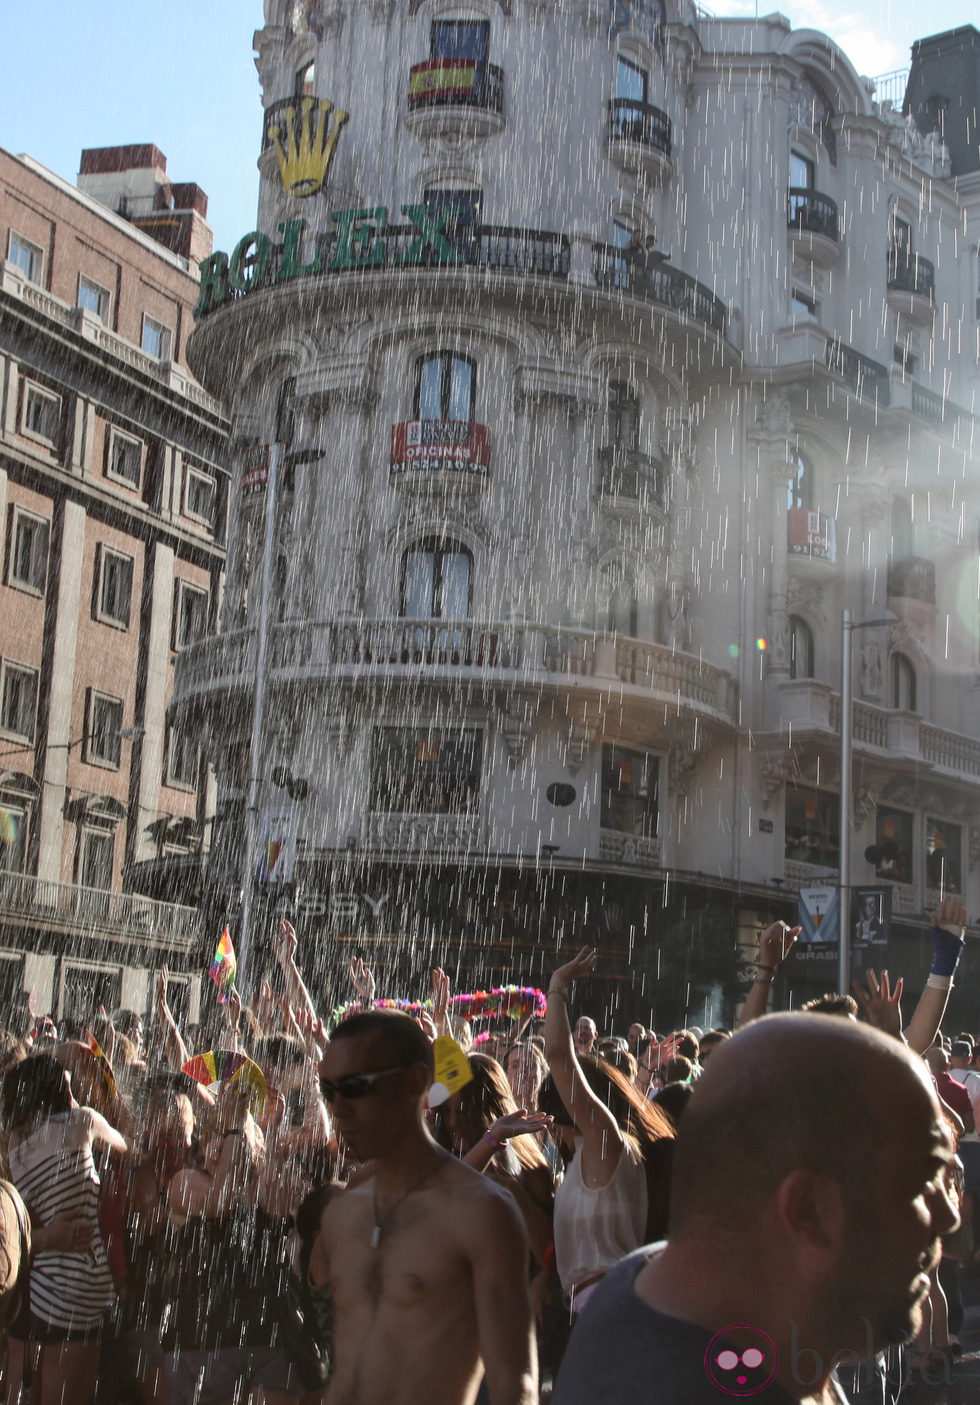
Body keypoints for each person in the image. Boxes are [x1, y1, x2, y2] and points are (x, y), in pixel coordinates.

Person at [553, 1013, 959, 1404]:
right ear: (807, 1208)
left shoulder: (657, 1280)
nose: (950, 1217)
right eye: (922, 1180)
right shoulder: (685, 1381)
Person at [315, 1010, 537, 1405]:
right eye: (328, 1090)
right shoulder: (343, 1214)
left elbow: (514, 1383)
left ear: (416, 1082)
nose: (338, 1107)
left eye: (355, 1087)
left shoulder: (482, 1211)